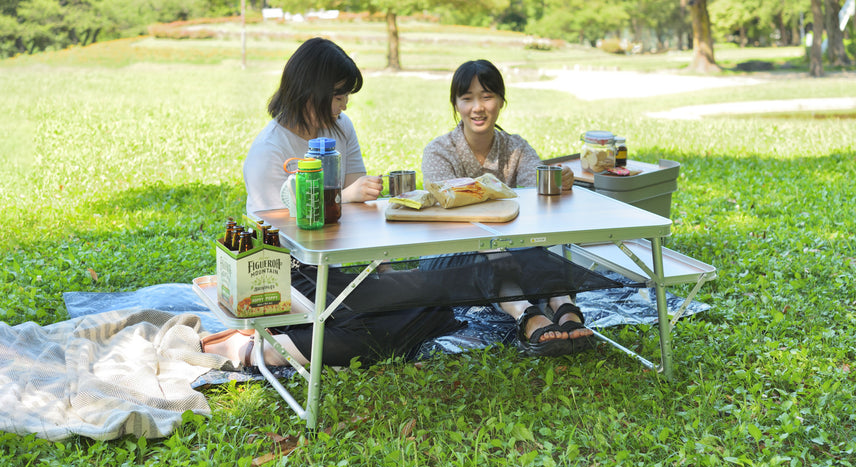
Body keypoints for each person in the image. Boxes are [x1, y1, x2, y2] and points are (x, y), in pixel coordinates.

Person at [202, 38, 463, 368]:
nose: (345, 105)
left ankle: (296, 342)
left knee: (436, 301)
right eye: (339, 96)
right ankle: (253, 350)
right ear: (311, 93)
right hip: (287, 272)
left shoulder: (341, 128)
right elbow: (288, 236)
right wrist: (342, 197)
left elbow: (361, 199)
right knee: (363, 328)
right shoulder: (269, 151)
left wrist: (384, 268)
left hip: (334, 268)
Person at [422, 59, 593, 357]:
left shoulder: (516, 148)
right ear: (456, 105)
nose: (478, 107)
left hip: (515, 249)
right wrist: (493, 248)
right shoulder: (439, 151)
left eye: (487, 96)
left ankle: (564, 307)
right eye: (467, 98)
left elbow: (536, 202)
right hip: (450, 254)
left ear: (501, 100)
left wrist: (558, 184)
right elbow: (449, 212)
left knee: (538, 250)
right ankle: (526, 314)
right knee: (495, 258)